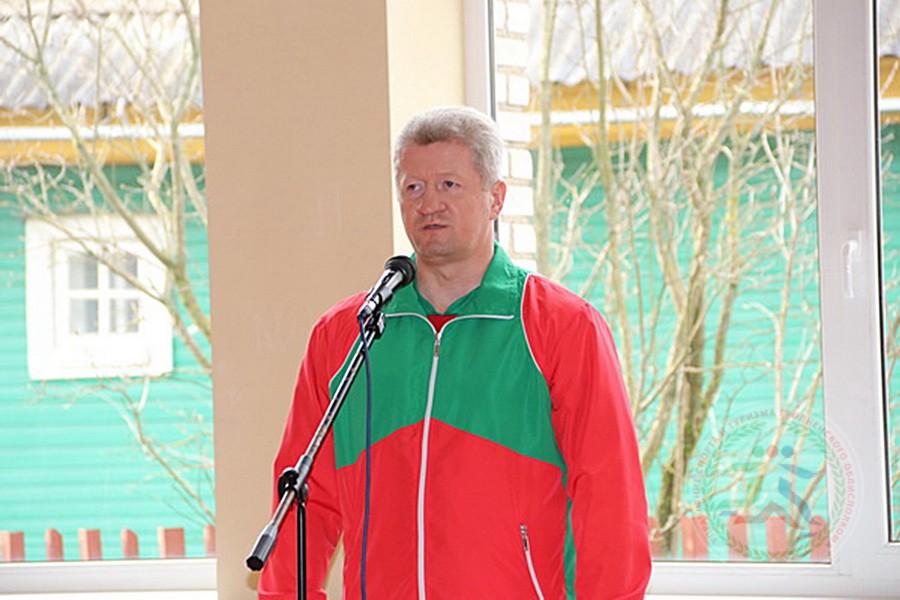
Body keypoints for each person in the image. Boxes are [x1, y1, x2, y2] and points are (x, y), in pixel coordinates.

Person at [258, 106, 651, 599]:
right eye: (413, 187)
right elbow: (305, 499)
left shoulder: (562, 327)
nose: (429, 204)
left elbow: (609, 497)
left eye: (449, 185)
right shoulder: (346, 335)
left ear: (495, 198)